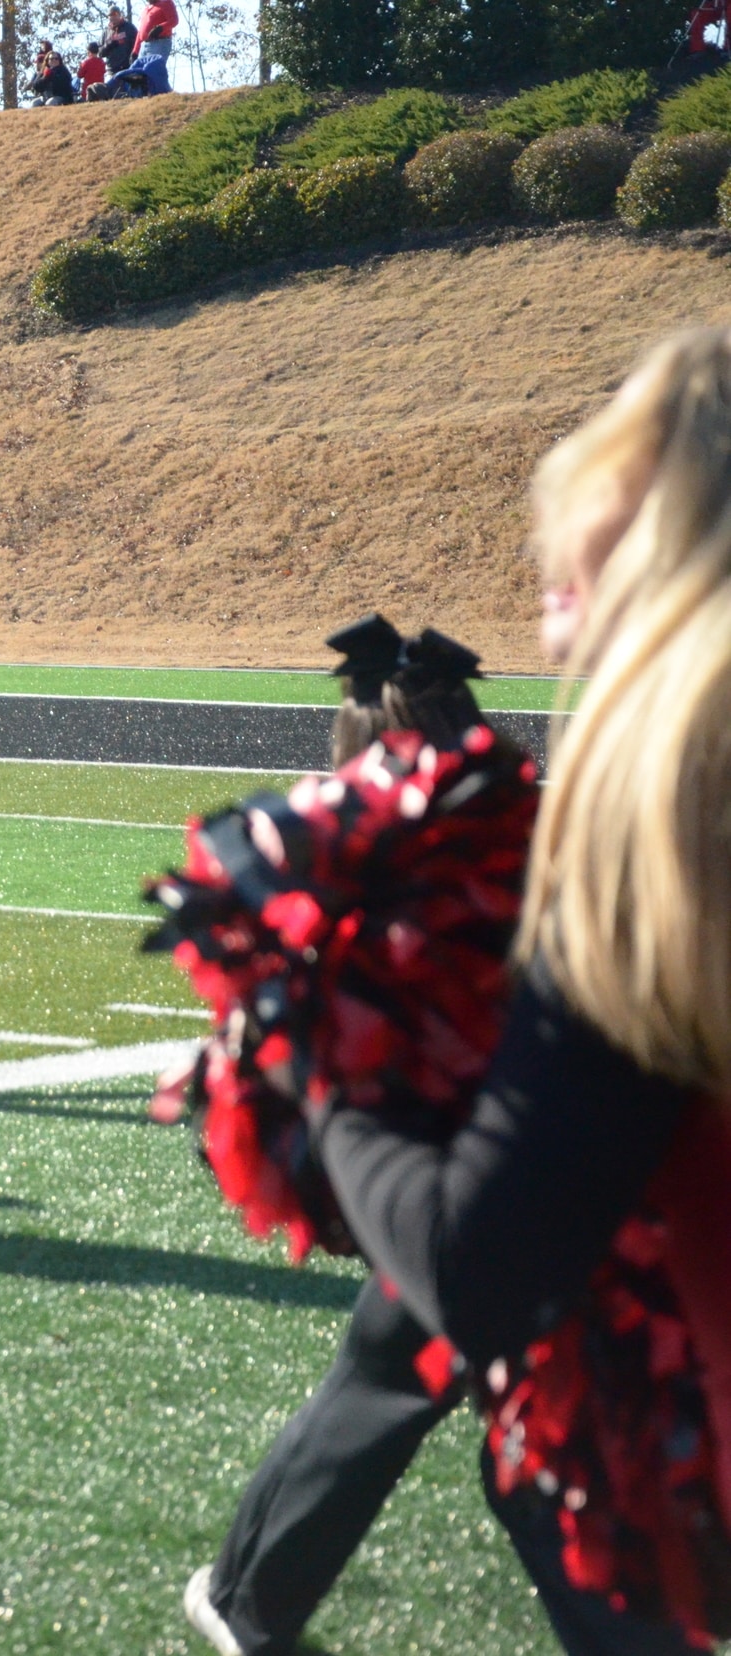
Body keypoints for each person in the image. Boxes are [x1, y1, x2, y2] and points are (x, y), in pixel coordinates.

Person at [312, 329, 731, 1655]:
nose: (546, 609)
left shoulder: (665, 830)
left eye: (573, 564)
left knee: (568, 1470)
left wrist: (324, 1063)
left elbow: (482, 1272)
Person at [169, 617, 520, 1656]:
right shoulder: (550, 835)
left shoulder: (341, 888)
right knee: (395, 1370)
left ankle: (246, 1602)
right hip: (581, 1175)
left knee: (419, 1387)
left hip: (518, 1192)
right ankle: (244, 1601)